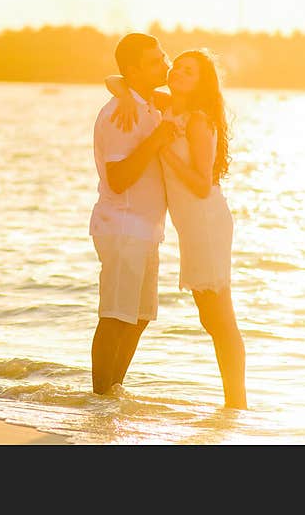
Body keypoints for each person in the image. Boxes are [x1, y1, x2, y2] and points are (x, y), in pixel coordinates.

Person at [105, 48, 248, 410]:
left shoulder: (197, 120)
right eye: (177, 68)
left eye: (189, 71)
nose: (178, 73)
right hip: (191, 225)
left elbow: (201, 184)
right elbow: (116, 80)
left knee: (218, 317)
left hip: (207, 222)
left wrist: (164, 150)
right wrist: (123, 95)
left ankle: (237, 404)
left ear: (201, 83)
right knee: (210, 316)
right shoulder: (168, 106)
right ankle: (234, 404)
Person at [88, 33, 177, 396]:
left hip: (147, 229)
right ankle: (99, 398)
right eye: (156, 61)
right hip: (122, 225)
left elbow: (118, 80)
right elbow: (119, 178)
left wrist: (123, 89)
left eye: (163, 56)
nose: (165, 64)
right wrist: (154, 141)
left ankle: (113, 391)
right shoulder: (119, 114)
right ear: (134, 70)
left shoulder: (150, 103)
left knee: (139, 318)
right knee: (115, 317)